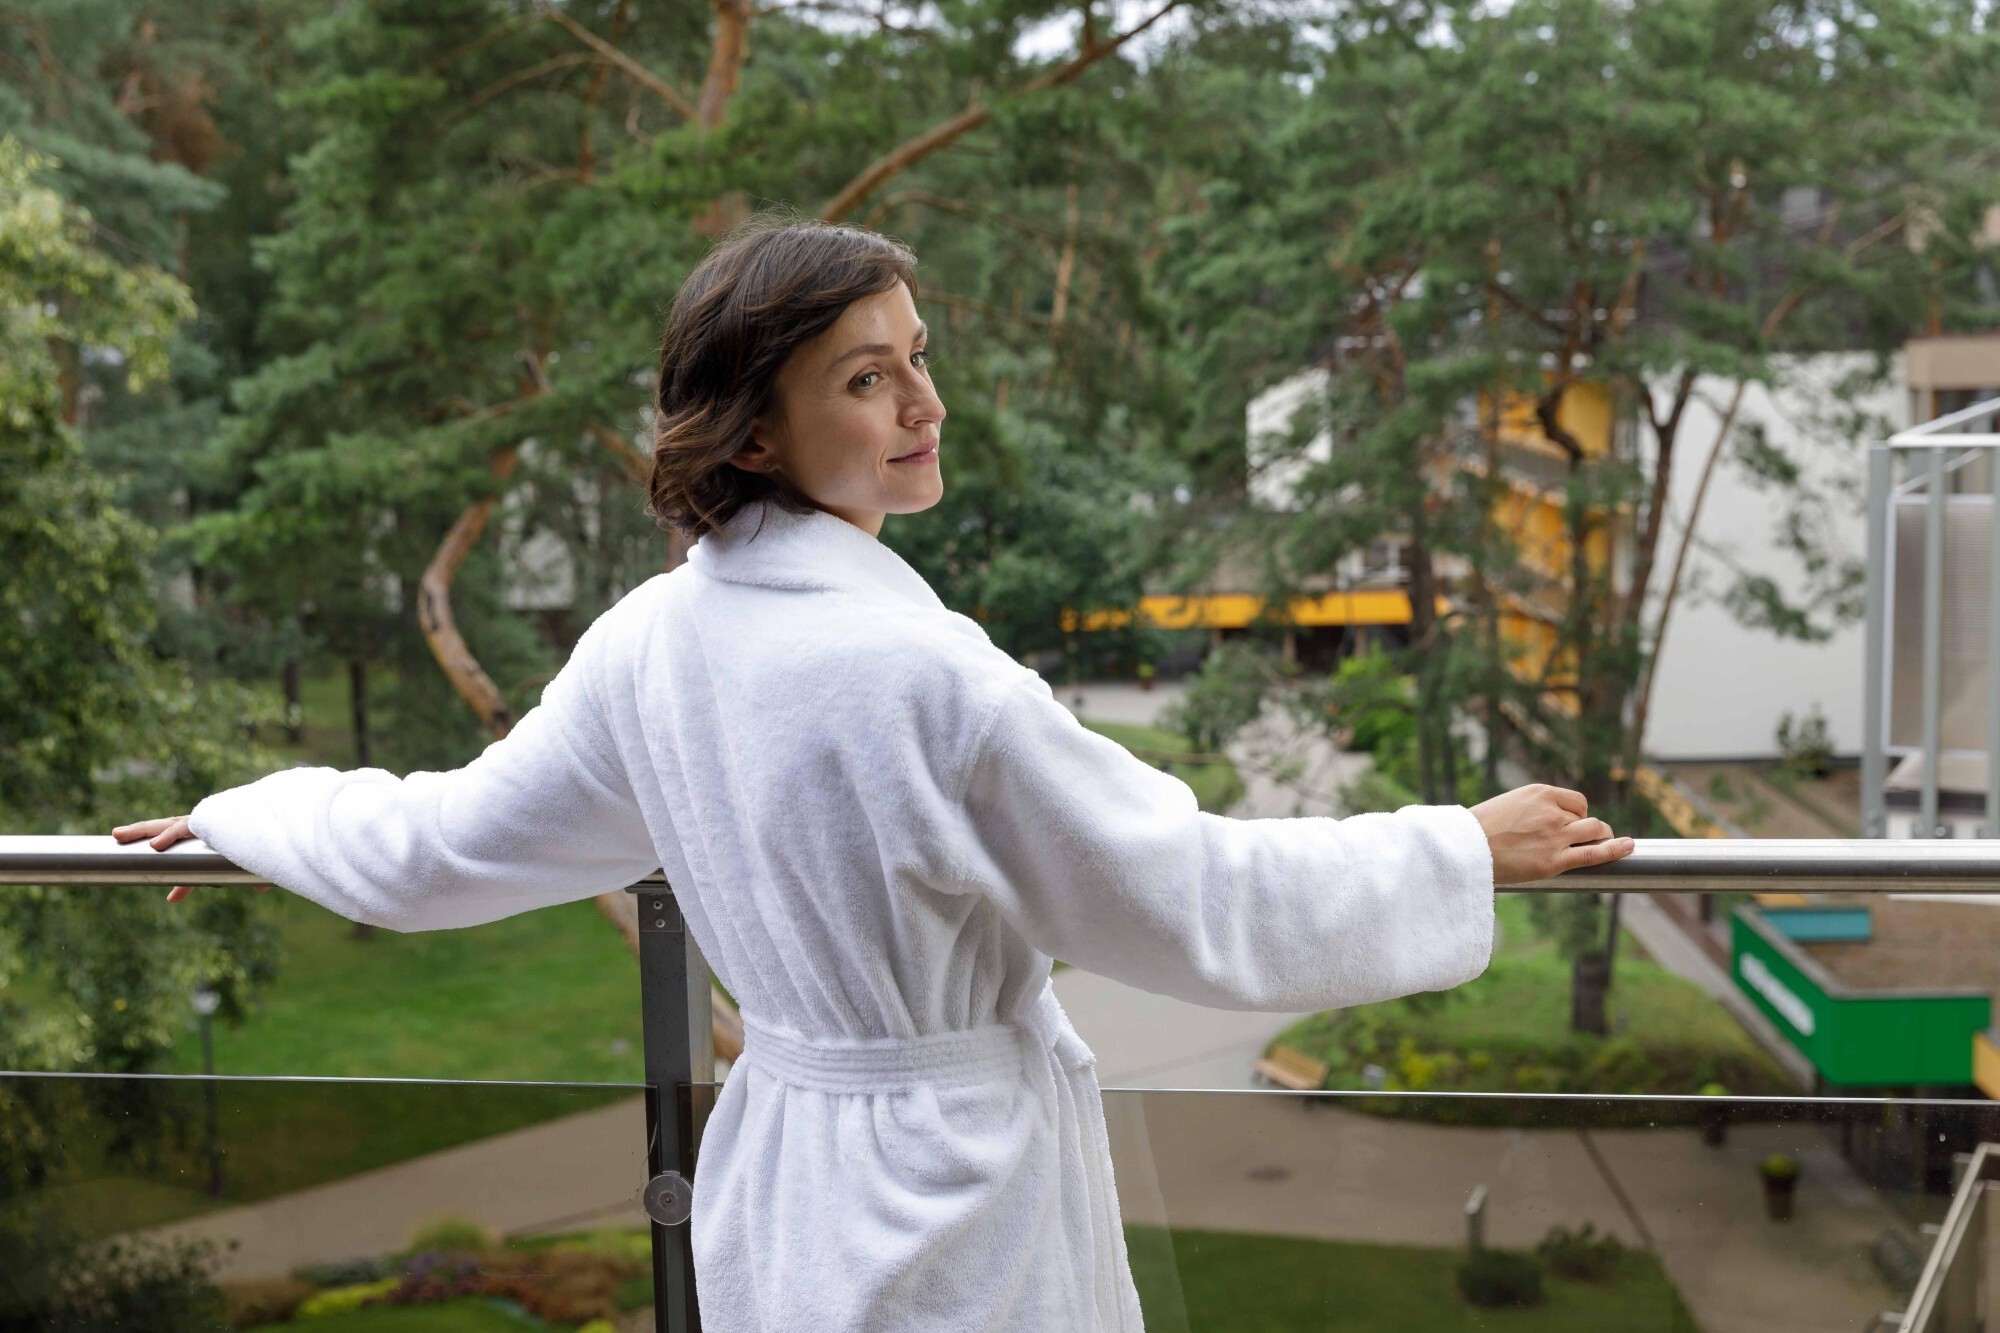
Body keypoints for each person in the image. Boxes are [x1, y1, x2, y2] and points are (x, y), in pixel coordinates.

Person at [113, 212, 1635, 1332]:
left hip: (781, 1183)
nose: (924, 405)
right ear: (752, 431)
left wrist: (258, 814)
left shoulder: (653, 642)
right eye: (865, 378)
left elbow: (444, 845)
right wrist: (1457, 849)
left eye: (918, 358)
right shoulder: (930, 675)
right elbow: (1186, 896)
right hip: (955, 1206)